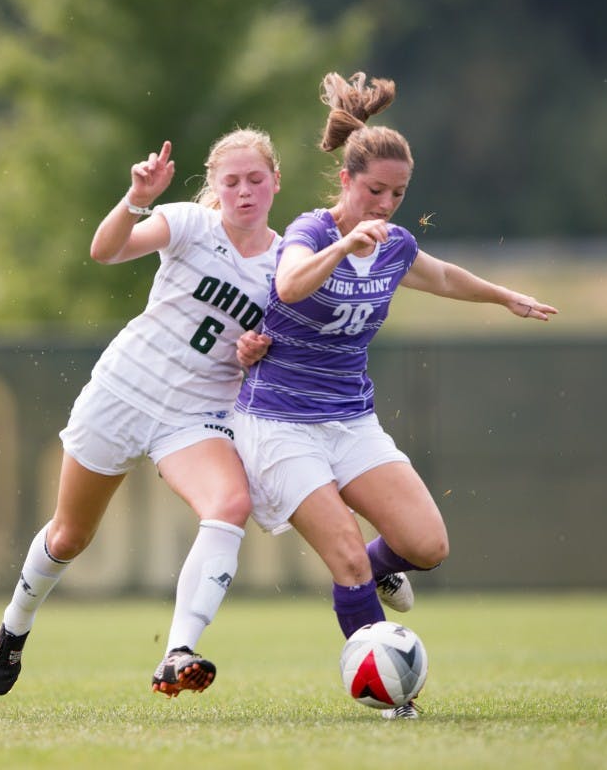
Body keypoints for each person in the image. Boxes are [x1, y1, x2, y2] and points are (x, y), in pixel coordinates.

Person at [232, 72, 558, 719]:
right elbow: (291, 284)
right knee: (349, 560)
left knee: (427, 544)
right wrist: (344, 246)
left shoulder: (395, 245)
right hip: (280, 420)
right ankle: (388, 694)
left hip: (351, 420)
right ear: (347, 182)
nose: (385, 204)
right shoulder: (312, 231)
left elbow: (439, 275)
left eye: (398, 194)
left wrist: (503, 296)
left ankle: (377, 575)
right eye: (375, 190)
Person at [0, 129, 281, 698]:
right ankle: (14, 625)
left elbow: (285, 344)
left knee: (230, 503)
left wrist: (256, 352)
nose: (244, 191)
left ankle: (177, 651)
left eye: (255, 179)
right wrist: (136, 198)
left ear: (275, 182)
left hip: (195, 414)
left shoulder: (285, 262)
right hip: (124, 390)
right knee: (70, 536)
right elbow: (106, 250)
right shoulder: (192, 224)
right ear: (215, 189)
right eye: (231, 181)